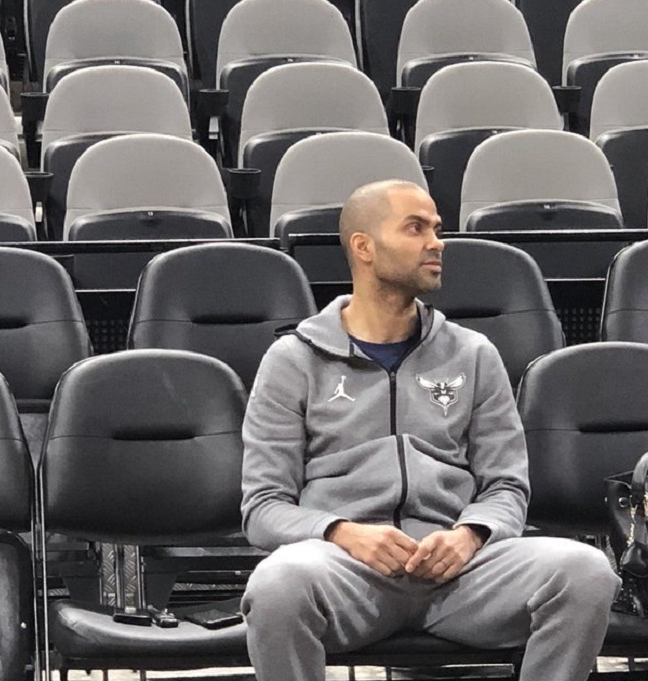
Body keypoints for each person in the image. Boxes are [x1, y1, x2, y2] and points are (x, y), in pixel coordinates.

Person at [240, 179, 620, 681]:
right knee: (276, 585)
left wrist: (470, 534)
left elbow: (506, 486)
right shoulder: (293, 360)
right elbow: (263, 507)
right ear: (364, 247)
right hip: (345, 571)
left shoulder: (473, 353)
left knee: (585, 571)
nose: (436, 243)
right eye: (415, 228)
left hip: (462, 574)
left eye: (437, 229)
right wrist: (341, 532)